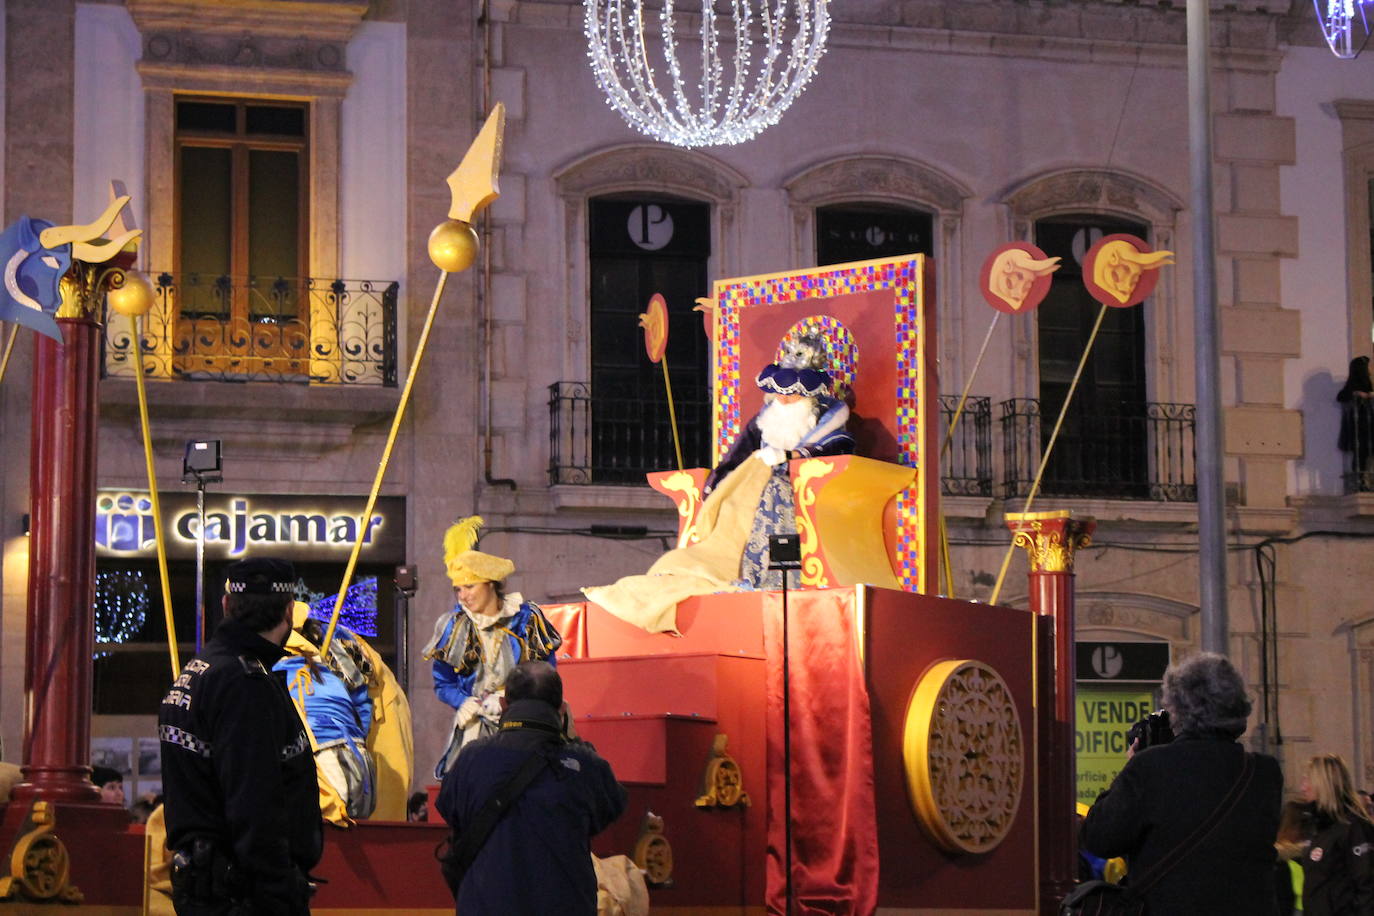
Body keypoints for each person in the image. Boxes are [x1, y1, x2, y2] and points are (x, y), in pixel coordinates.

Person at [583, 335, 854, 632]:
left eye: (790, 395)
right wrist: (716, 484)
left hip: (795, 490)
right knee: (728, 505)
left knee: (774, 491)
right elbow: (737, 455)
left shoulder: (828, 418)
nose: (783, 400)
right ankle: (736, 571)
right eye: (780, 393)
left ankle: (773, 577)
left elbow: (837, 447)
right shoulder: (767, 418)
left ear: (808, 395)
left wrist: (792, 455)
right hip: (752, 489)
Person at [158, 557, 322, 916]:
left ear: (226, 605)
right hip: (245, 894)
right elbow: (254, 801)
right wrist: (281, 891)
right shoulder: (244, 684)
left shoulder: (199, 671)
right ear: (290, 612)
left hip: (212, 884)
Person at [1080, 652, 1284, 914]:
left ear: (1178, 709)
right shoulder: (1264, 773)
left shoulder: (1150, 767)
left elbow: (1099, 838)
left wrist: (1132, 765)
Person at [436, 661, 627, 915]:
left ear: (504, 706)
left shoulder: (471, 760)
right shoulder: (586, 767)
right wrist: (573, 742)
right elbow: (610, 808)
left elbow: (449, 809)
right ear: (562, 710)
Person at [422, 517, 562, 777]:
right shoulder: (453, 627)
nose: (463, 595)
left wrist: (511, 700)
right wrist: (463, 702)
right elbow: (443, 684)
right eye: (458, 589)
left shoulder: (526, 619)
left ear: (490, 584)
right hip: (476, 723)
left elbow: (547, 675)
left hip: (525, 721)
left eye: (470, 586)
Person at [275, 602, 415, 824]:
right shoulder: (294, 655)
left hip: (334, 760)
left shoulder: (332, 645)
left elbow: (362, 702)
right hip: (352, 759)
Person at [1296, 754, 1374, 915]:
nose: (1302, 788)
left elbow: (1367, 886)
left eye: (1307, 781)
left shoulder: (1353, 827)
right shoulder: (1319, 826)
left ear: (1323, 784)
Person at [1338, 355, 1373, 489]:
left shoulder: (1367, 384)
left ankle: (1364, 481)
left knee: (1365, 452)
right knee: (1361, 453)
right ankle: (1360, 482)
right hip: (1360, 426)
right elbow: (1342, 396)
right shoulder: (1353, 387)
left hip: (1368, 424)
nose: (1368, 373)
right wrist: (1357, 394)